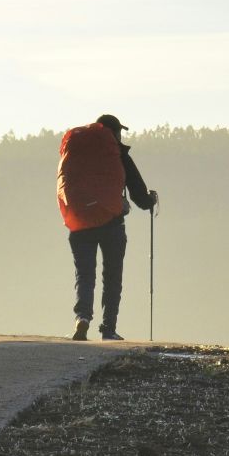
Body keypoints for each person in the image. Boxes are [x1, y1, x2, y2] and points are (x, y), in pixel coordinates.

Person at [62, 114, 157, 341]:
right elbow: (138, 194)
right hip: (111, 224)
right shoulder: (117, 155)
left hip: (79, 223)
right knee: (112, 277)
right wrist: (150, 200)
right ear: (112, 133)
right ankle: (108, 328)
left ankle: (82, 317)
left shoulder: (76, 153)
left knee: (84, 275)